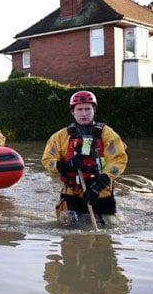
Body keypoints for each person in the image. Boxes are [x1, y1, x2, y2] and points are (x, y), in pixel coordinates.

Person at [41, 90, 128, 224]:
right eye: (79, 109)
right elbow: (48, 161)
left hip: (101, 191)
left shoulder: (107, 134)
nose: (83, 113)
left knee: (107, 228)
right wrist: (67, 165)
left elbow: (118, 160)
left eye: (87, 109)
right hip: (71, 193)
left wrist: (97, 186)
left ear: (94, 110)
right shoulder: (59, 137)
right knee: (68, 224)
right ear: (72, 111)